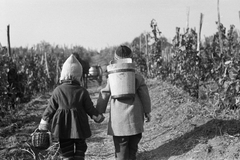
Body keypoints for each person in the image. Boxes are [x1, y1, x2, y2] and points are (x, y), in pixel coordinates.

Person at [38, 54, 104, 160]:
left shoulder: (58, 91)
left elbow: (50, 109)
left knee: (66, 151)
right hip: (80, 128)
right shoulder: (82, 91)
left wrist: (44, 122)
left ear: (63, 74)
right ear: (79, 75)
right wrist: (97, 117)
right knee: (80, 149)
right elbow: (89, 108)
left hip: (63, 129)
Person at [96, 45, 151, 160]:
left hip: (118, 123)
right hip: (135, 120)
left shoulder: (112, 78)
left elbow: (105, 93)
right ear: (131, 60)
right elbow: (144, 95)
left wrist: (99, 112)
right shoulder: (137, 76)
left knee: (121, 150)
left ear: (115, 60)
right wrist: (147, 111)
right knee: (133, 149)